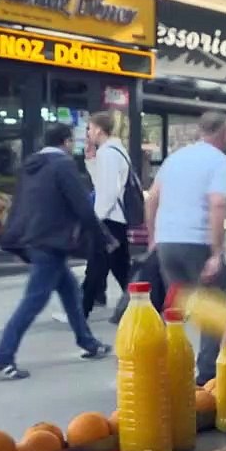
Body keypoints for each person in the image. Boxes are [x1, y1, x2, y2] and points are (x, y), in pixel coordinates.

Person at [0, 124, 112, 379]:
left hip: (34, 238)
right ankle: (3, 355)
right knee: (34, 299)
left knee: (70, 291)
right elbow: (81, 204)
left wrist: (16, 240)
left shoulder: (30, 166)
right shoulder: (63, 166)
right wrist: (100, 237)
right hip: (52, 241)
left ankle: (88, 343)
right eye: (72, 142)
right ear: (66, 142)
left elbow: (19, 205)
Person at [145, 111, 226, 384]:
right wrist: (217, 252)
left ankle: (164, 368)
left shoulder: (175, 158)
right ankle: (206, 377)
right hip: (197, 242)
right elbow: (218, 203)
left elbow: (151, 199)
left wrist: (153, 237)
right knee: (212, 307)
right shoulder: (220, 161)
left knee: (175, 309)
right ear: (225, 133)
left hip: (168, 242)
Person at [81, 112, 131, 321]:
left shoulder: (109, 153)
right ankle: (144, 304)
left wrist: (97, 218)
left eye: (90, 128)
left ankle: (80, 310)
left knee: (96, 267)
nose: (88, 133)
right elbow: (101, 183)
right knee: (121, 269)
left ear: (99, 130)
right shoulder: (112, 151)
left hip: (108, 219)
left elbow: (108, 191)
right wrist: (91, 160)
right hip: (115, 218)